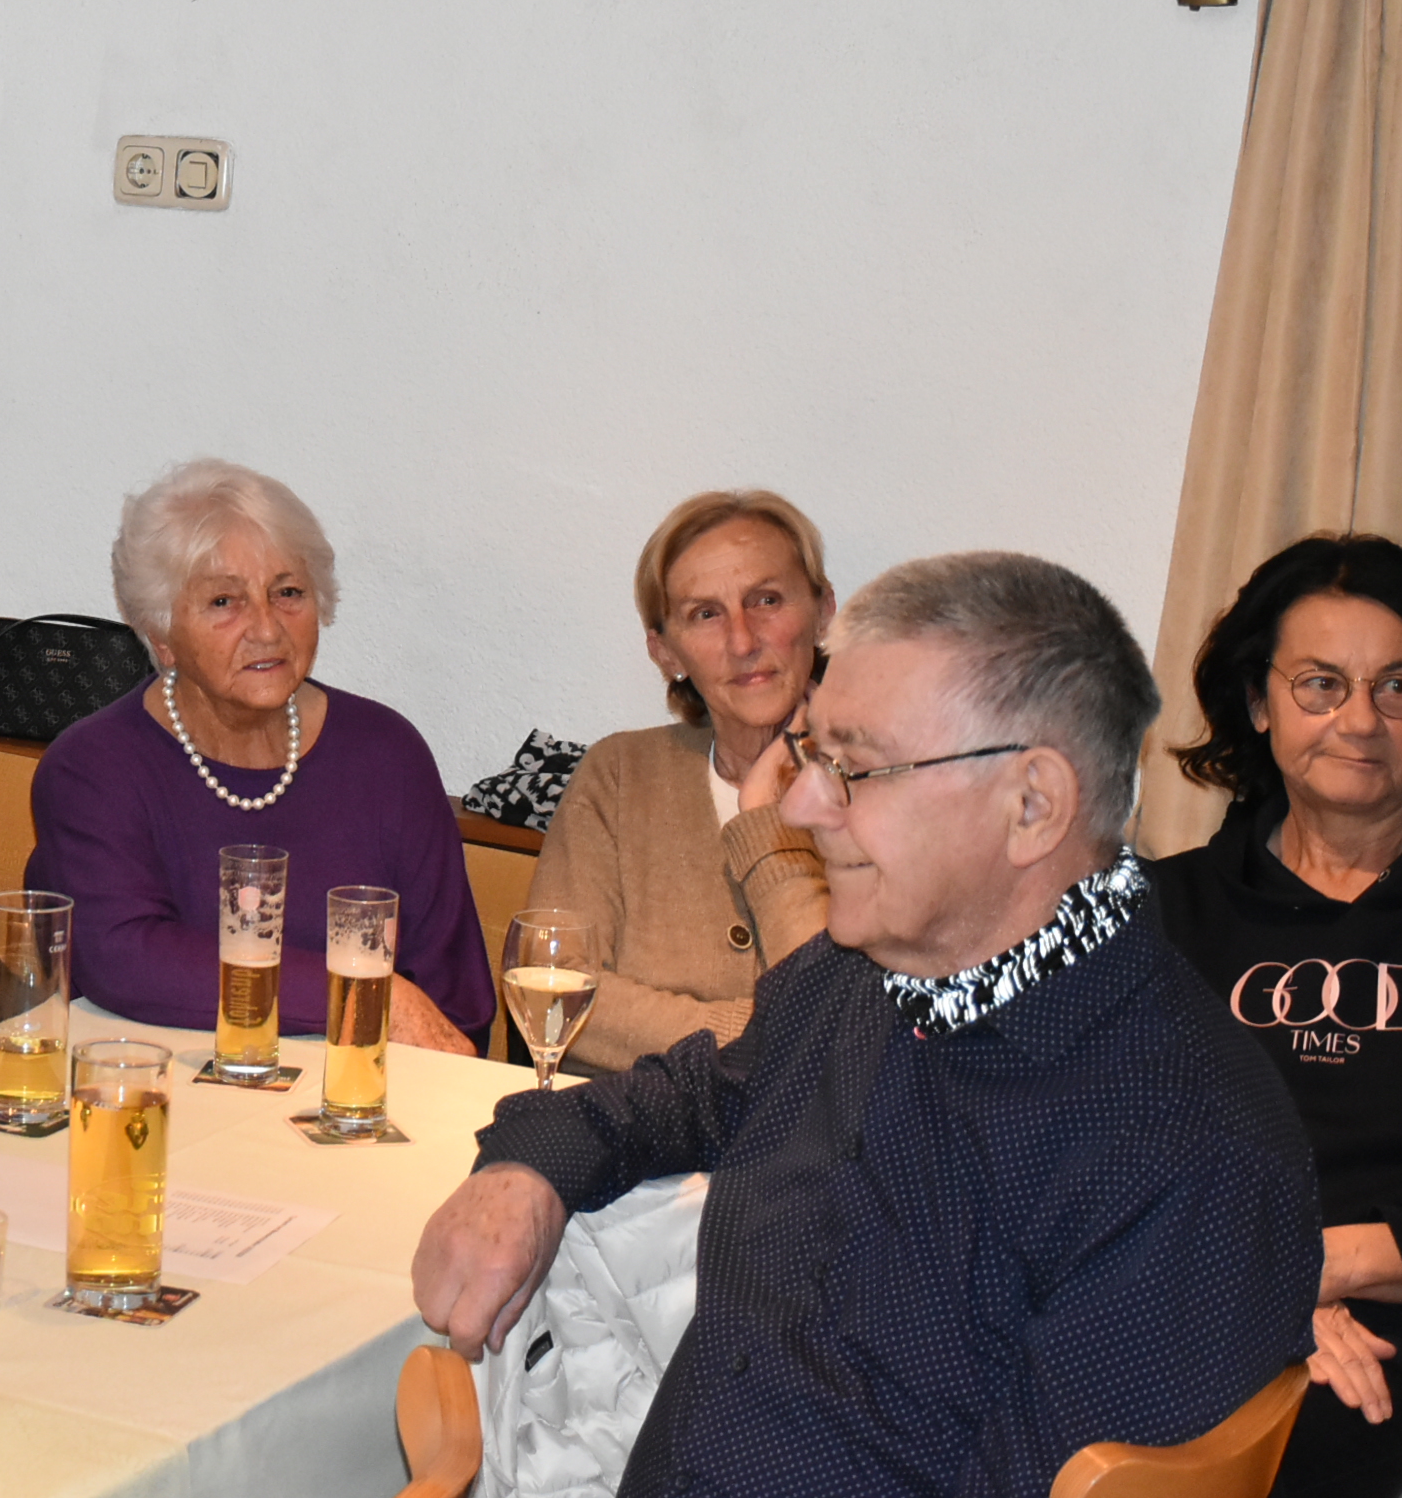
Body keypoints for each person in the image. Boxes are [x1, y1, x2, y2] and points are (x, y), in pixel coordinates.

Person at [413, 552, 1320, 1494]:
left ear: (1033, 806)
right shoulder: (865, 977)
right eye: (813, 755)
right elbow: (686, 1095)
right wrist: (525, 1171)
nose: (802, 805)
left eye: (853, 768)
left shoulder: (1189, 1151)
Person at [25, 459, 495, 1050]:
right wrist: (363, 995)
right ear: (162, 636)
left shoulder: (388, 755)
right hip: (154, 1084)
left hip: (358, 1089)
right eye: (224, 601)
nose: (268, 629)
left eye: (288, 592)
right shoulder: (94, 768)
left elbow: (457, 1004)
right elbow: (126, 958)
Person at [1152, 533, 1402, 1497]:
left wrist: (1330, 1263)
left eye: (1398, 686)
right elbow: (1087, 1157)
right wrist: (1272, 1287)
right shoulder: (1159, 915)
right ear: (1258, 702)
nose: (1360, 719)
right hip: (1193, 1310)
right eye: (1321, 684)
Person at [527, 491, 835, 1073]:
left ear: (823, 612)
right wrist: (754, 1042)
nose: (743, 641)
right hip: (625, 1120)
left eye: (766, 600)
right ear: (666, 651)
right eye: (705, 614)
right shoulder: (621, 774)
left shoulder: (889, 788)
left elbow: (841, 1030)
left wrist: (764, 818)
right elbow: (551, 992)